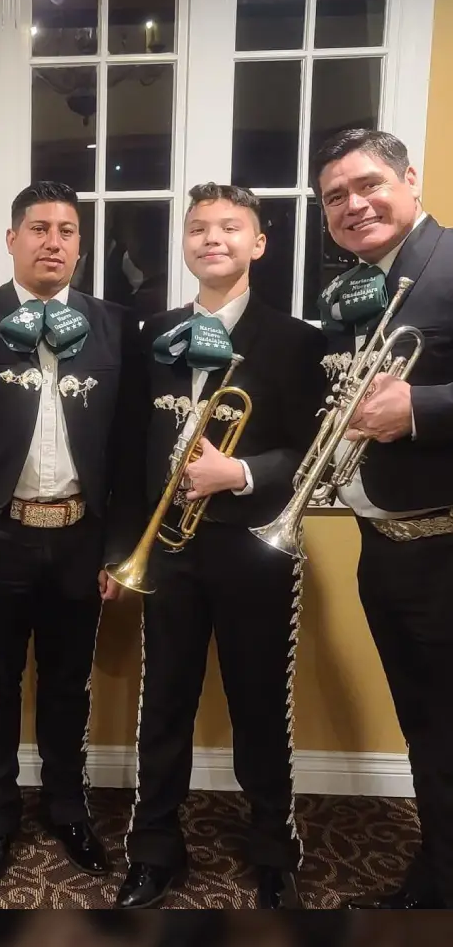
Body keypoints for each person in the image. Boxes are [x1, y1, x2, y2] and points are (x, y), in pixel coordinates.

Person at [101, 183, 327, 910]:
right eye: (198, 228)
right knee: (162, 703)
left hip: (256, 549)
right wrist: (120, 548)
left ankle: (273, 851)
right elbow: (127, 451)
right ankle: (154, 849)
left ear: (259, 243)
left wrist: (243, 471)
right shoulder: (152, 333)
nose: (212, 239)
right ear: (186, 244)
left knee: (260, 703)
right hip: (167, 552)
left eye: (231, 227)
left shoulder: (297, 339)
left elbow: (319, 451)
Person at [0, 180, 143, 884]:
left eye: (67, 231)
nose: (54, 242)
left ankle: (68, 808)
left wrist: (119, 551)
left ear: (81, 244)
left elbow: (132, 454)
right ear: (11, 239)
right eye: (39, 229)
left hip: (82, 538)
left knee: (69, 684)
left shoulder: (115, 325)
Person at [307, 129, 453, 910]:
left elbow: (401, 406)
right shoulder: (367, 288)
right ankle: (437, 876)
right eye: (335, 198)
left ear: (409, 180)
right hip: (386, 548)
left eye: (368, 185)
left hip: (446, 551)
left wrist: (421, 408)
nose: (354, 205)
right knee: (427, 732)